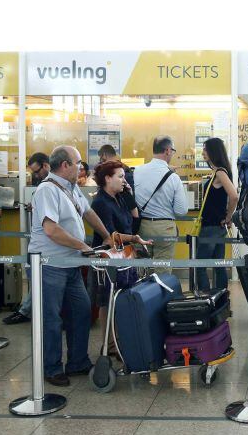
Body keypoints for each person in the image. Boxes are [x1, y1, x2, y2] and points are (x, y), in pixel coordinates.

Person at [28, 145, 113, 386]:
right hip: (49, 265)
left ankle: (77, 361)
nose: (82, 167)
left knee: (81, 311)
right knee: (52, 319)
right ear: (65, 165)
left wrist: (107, 236)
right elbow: (51, 229)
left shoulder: (72, 189)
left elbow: (88, 213)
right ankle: (52, 368)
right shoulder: (47, 190)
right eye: (78, 163)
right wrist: (84, 247)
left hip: (70, 266)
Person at [89, 160, 152, 345]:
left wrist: (129, 195)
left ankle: (119, 340)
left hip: (124, 255)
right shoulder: (100, 202)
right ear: (108, 178)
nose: (124, 180)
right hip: (108, 256)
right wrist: (133, 239)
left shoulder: (119, 198)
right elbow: (110, 235)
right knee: (107, 301)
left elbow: (134, 222)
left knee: (121, 297)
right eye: (120, 176)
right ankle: (109, 342)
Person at [2, 152, 51, 325]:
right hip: (41, 243)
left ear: (46, 165)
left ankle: (26, 311)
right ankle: (27, 310)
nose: (35, 176)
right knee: (35, 276)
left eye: (37, 171)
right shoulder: (45, 186)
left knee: (38, 277)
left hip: (48, 245)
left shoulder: (50, 186)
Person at [134, 136, 188, 273]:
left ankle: (139, 294)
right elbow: (181, 210)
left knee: (140, 270)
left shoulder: (137, 171)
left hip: (141, 227)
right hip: (165, 228)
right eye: (173, 151)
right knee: (162, 271)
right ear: (168, 151)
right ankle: (160, 293)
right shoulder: (173, 177)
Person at [195, 138, 238, 291]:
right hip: (216, 226)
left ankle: (206, 300)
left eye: (205, 149)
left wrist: (228, 216)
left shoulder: (220, 172)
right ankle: (220, 300)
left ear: (214, 151)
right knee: (218, 265)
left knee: (200, 267)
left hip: (212, 227)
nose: (203, 153)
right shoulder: (218, 172)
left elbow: (234, 196)